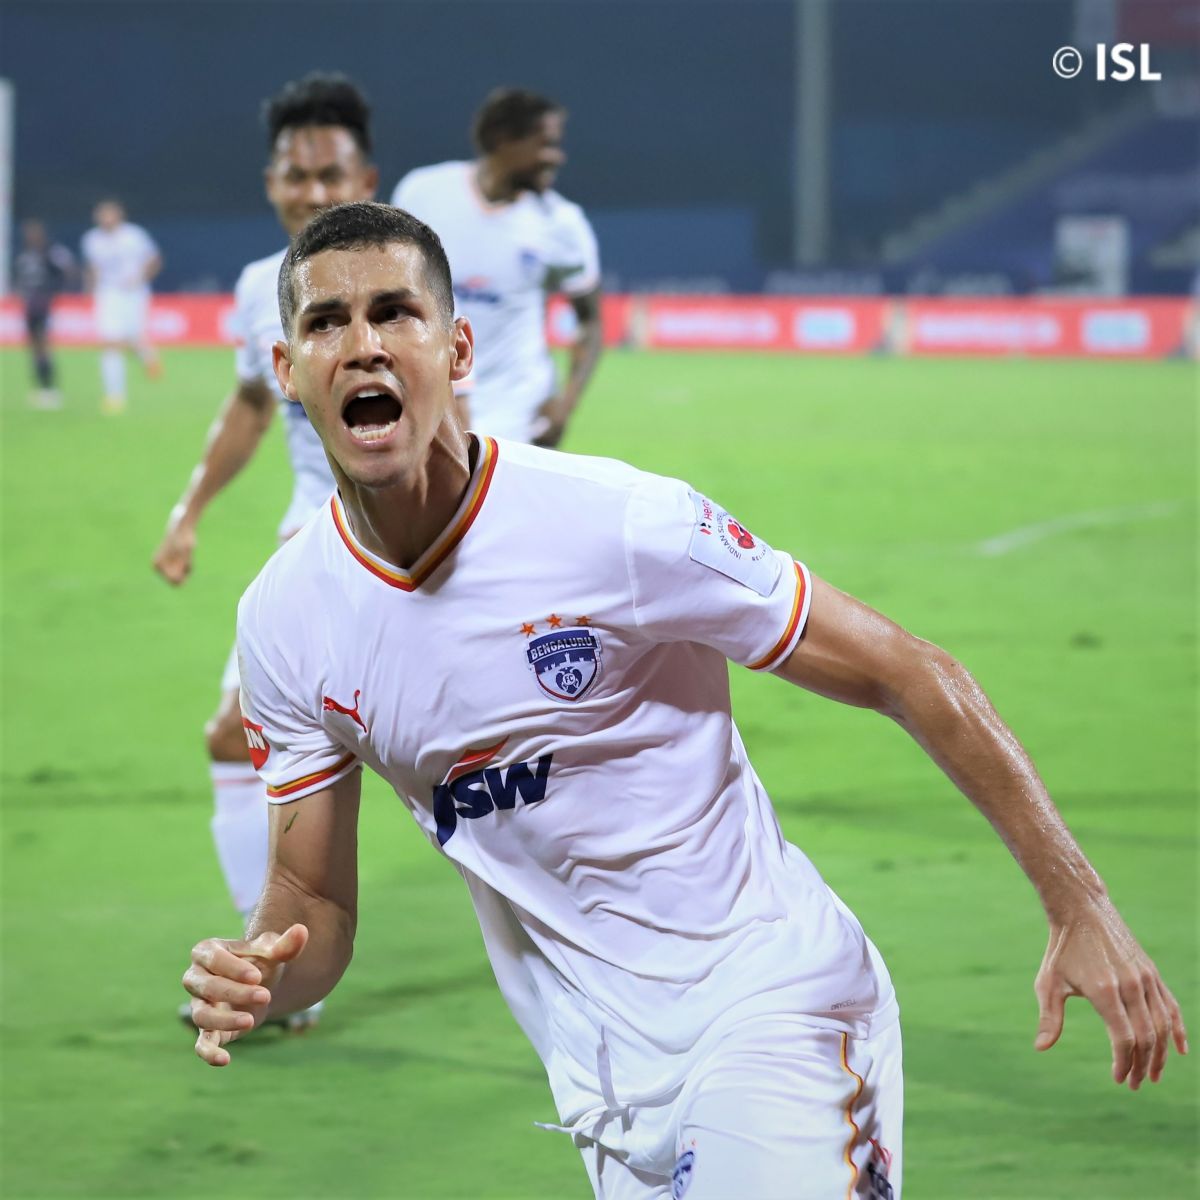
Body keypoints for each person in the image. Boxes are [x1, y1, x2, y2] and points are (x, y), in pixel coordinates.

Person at [183, 204, 1186, 1200]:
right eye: (325, 324)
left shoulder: (619, 525)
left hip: (773, 1011)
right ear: (286, 373)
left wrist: (1078, 901)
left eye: (394, 313)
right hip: (604, 1092)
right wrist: (263, 975)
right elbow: (312, 909)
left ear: (456, 351)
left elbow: (907, 670)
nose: (360, 346)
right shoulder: (284, 618)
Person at [154, 75, 378, 1029]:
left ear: (364, 175)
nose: (312, 189)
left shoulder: (403, 269)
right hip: (308, 557)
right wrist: (189, 508)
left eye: (330, 172)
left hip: (394, 552)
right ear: (272, 182)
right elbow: (252, 402)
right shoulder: (261, 286)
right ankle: (275, 973)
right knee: (236, 740)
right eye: (295, 173)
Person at [391, 87, 602, 448]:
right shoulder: (421, 193)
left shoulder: (562, 224)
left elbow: (590, 320)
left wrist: (564, 406)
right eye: (545, 144)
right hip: (434, 402)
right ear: (503, 140)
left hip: (520, 410)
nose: (557, 157)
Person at [80, 199, 162, 414]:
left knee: (133, 337)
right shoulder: (91, 239)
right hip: (108, 294)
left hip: (134, 294)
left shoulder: (134, 235)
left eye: (110, 214)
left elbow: (154, 259)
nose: (106, 219)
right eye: (102, 215)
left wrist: (141, 279)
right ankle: (115, 395)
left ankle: (148, 357)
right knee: (111, 342)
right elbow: (93, 267)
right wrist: (90, 290)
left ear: (119, 216)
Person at [14, 219, 76, 409]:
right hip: (29, 306)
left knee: (43, 346)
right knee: (33, 347)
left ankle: (50, 389)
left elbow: (68, 272)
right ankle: (41, 388)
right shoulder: (24, 256)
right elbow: (20, 279)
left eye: (34, 232)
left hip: (45, 305)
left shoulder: (52, 252)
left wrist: (57, 293)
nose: (31, 236)